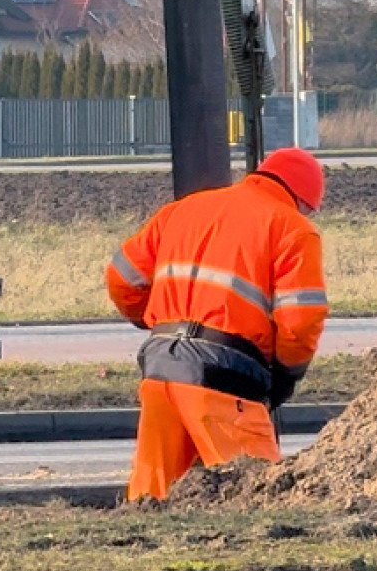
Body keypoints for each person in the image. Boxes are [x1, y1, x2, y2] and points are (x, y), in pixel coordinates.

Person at [104, 148, 330, 502]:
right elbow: (301, 319)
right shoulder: (291, 227)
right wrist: (286, 375)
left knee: (150, 501)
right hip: (224, 380)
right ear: (302, 199)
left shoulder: (182, 211)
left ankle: (141, 553)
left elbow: (121, 277)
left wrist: (152, 318)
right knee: (257, 495)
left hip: (161, 368)